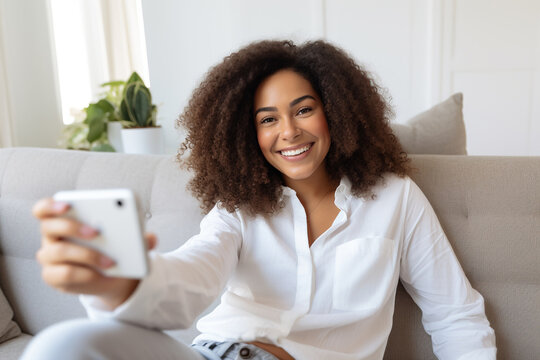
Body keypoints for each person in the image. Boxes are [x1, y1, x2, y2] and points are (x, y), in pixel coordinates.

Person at [24, 40, 496, 360]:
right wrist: (119, 285)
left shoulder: (396, 198)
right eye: (267, 119)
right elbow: (195, 271)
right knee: (62, 344)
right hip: (213, 352)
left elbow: (455, 314)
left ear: (337, 111)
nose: (288, 132)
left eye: (304, 110)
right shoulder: (239, 207)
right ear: (246, 132)